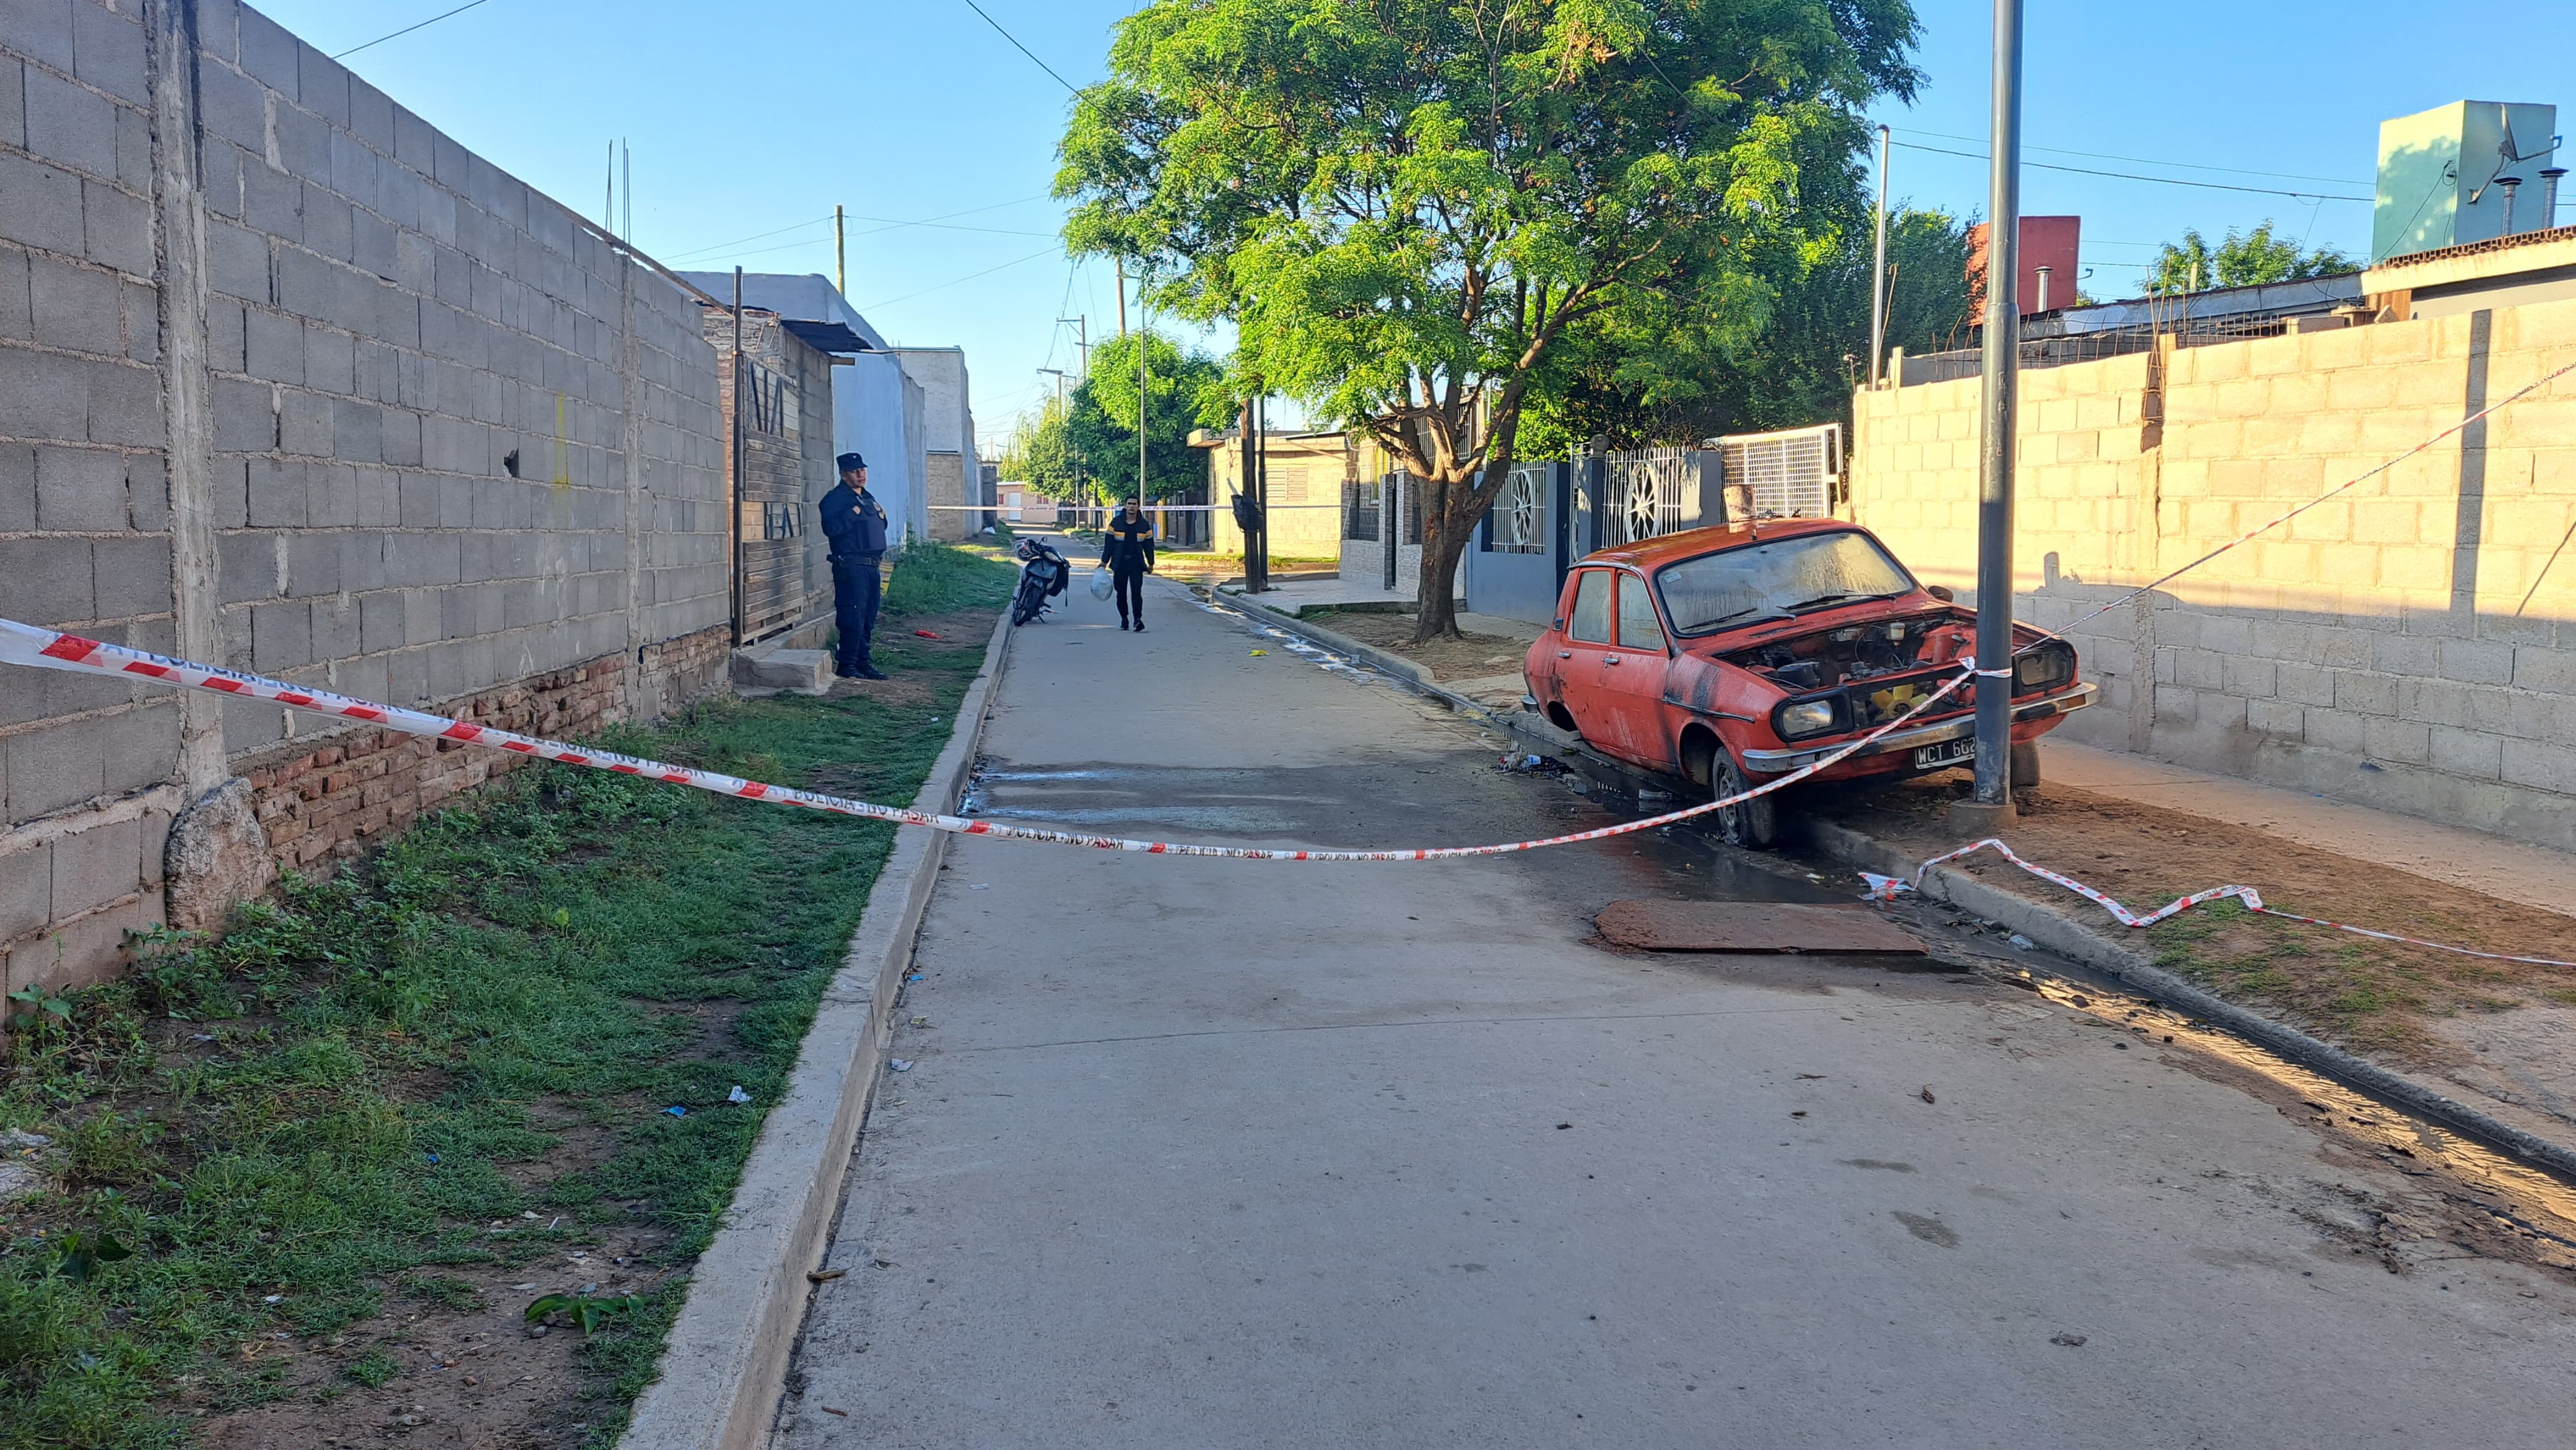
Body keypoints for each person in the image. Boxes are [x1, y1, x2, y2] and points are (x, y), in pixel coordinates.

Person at [819, 452, 889, 679]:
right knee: (853, 615)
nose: (860, 475)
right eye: (854, 471)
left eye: (862, 470)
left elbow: (880, 524)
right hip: (851, 566)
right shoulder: (835, 499)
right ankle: (847, 664)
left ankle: (863, 662)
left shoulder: (868, 497)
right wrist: (853, 513)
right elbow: (832, 529)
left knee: (868, 616)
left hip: (872, 565)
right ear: (843, 474)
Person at [1099, 496, 1157, 632]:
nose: (1132, 506)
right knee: (1121, 593)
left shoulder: (1144, 525)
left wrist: (1151, 563)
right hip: (1120, 564)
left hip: (1136, 563)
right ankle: (1124, 619)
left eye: (1134, 504)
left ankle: (1138, 620)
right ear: (1125, 506)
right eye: (1129, 504)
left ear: (1138, 507)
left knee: (1137, 592)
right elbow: (1109, 545)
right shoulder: (1116, 523)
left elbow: (1149, 546)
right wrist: (1104, 562)